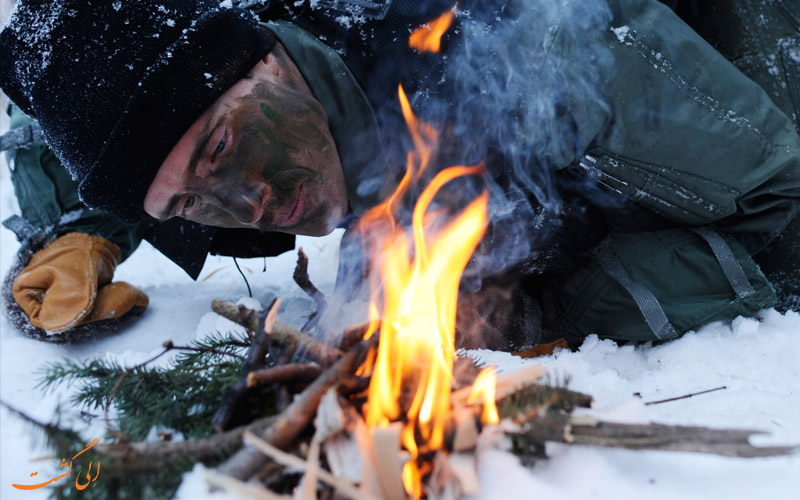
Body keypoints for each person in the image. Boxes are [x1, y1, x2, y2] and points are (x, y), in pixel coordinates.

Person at [1, 0, 798, 348]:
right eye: (191, 205)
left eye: (221, 150)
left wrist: (553, 301)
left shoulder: (536, 48)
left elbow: (787, 207)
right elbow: (65, 81)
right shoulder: (263, 80)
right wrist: (75, 227)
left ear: (265, 54)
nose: (250, 203)